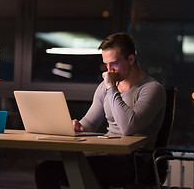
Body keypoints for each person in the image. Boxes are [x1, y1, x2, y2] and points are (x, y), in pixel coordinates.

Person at [35, 32, 166, 189]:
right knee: (45, 170)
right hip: (105, 153)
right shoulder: (105, 87)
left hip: (133, 161)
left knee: (60, 171)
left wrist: (111, 88)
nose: (109, 71)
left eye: (114, 64)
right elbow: (90, 122)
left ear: (131, 59)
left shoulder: (151, 89)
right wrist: (79, 126)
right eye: (106, 65)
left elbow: (128, 127)